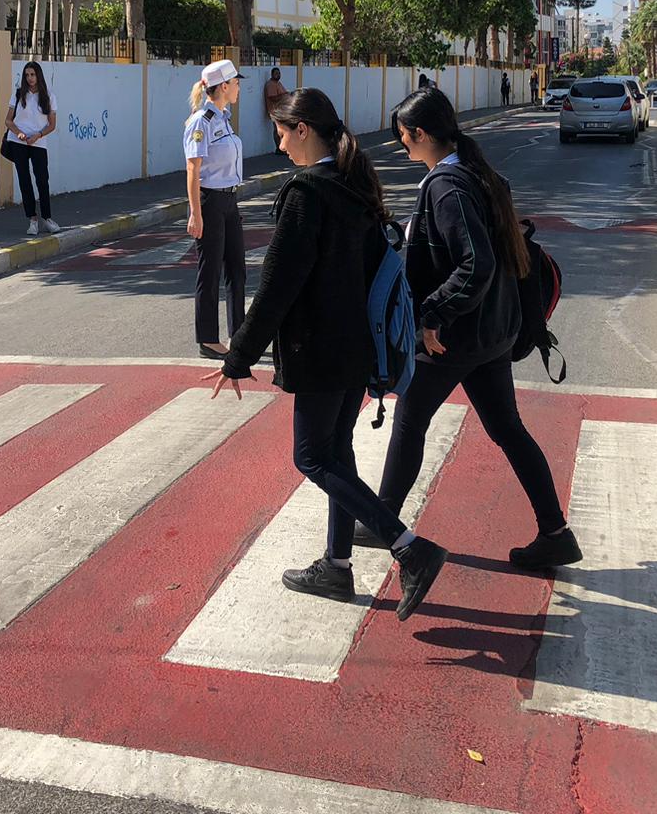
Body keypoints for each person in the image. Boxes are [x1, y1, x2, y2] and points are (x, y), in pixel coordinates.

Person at [205, 88, 448, 620]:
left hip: (319, 349)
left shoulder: (306, 194)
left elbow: (277, 286)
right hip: (358, 346)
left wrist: (238, 355)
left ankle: (409, 547)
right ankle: (337, 566)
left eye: (282, 132)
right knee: (337, 453)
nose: (279, 144)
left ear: (303, 129)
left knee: (312, 457)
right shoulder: (355, 184)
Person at [370, 87, 581, 570]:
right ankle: (555, 533)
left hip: (455, 338)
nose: (401, 145)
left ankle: (382, 520)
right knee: (507, 428)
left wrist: (432, 315)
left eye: (403, 136)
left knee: (410, 419)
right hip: (492, 334)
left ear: (420, 134)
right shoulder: (476, 174)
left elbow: (475, 264)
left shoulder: (447, 186)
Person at [183, 59, 246, 360]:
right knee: (209, 273)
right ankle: (208, 339)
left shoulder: (223, 118)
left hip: (229, 200)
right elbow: (192, 170)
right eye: (235, 83)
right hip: (209, 202)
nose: (238, 87)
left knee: (237, 269)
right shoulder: (202, 122)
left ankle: (240, 333)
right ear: (223, 87)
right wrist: (195, 213)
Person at [3, 60, 61, 236]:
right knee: (24, 180)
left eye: (33, 74)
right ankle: (32, 219)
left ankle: (47, 218)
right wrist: (19, 133)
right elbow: (8, 121)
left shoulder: (49, 96)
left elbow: (52, 125)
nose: (30, 78)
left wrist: (38, 135)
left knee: (42, 179)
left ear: (39, 75)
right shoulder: (18, 94)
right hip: (18, 141)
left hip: (38, 142)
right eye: (27, 75)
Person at [263, 66, 287, 154]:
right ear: (272, 74)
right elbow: (272, 97)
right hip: (275, 111)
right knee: (277, 130)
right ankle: (279, 149)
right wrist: (284, 96)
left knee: (281, 129)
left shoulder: (278, 83)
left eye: (279, 73)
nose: (278, 75)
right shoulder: (271, 84)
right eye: (276, 73)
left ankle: (282, 148)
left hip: (280, 110)